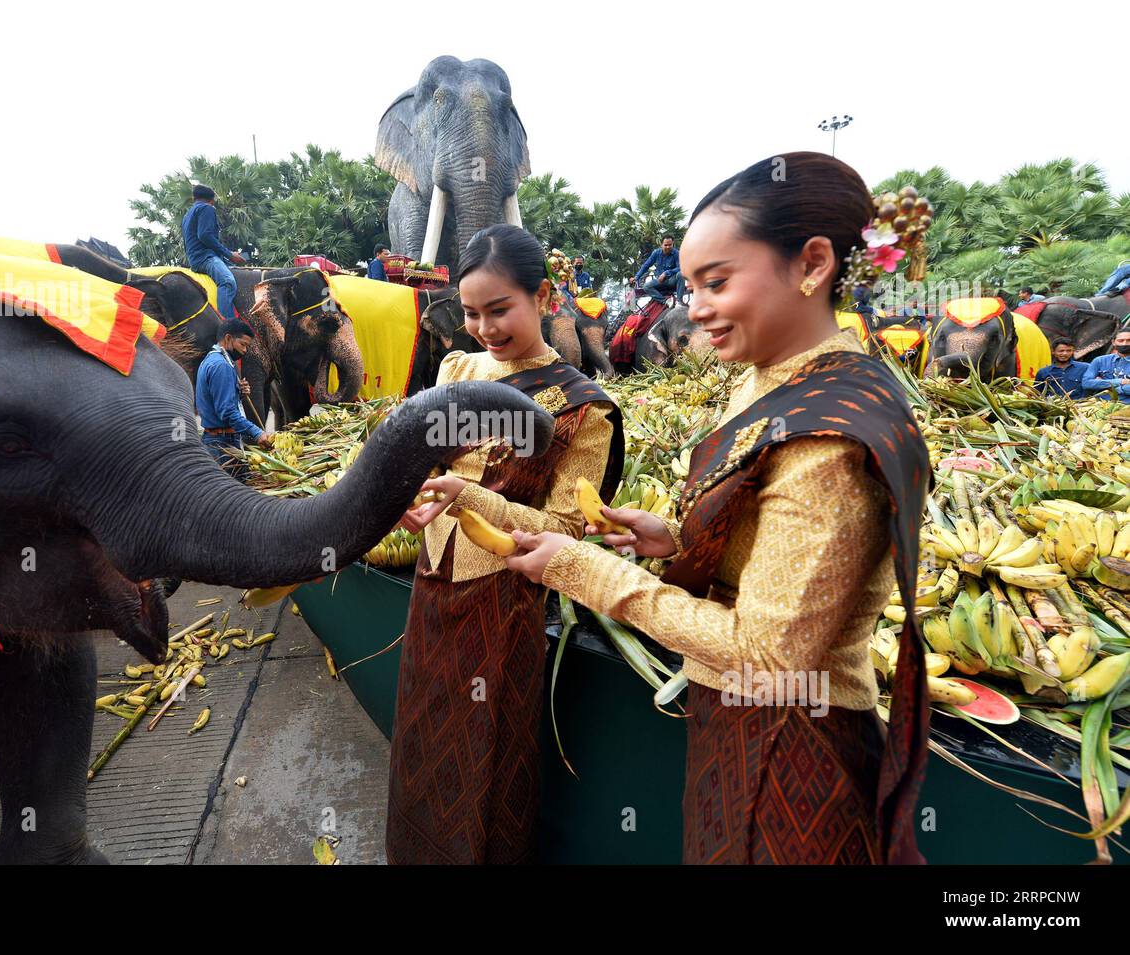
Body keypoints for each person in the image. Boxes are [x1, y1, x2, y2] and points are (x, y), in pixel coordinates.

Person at [505, 152, 931, 865]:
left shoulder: (831, 438)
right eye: (692, 283)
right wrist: (672, 541)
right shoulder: (770, 379)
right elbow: (764, 550)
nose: (694, 307)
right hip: (735, 724)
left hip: (794, 748)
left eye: (717, 282)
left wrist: (584, 569)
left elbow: (767, 651)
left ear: (814, 264)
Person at [385, 224, 624, 864]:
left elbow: (572, 531)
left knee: (488, 755)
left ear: (543, 296)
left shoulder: (582, 407)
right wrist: (408, 499)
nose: (485, 328)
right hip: (431, 593)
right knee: (422, 741)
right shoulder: (457, 367)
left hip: (504, 603)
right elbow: (420, 459)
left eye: (500, 310)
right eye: (470, 313)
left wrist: (472, 500)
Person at [196, 318, 265, 478]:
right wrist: (257, 433)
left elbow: (216, 400)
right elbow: (227, 412)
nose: (245, 351)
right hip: (222, 444)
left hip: (218, 440)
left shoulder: (212, 360)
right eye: (243, 344)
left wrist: (238, 392)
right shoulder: (221, 366)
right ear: (228, 338)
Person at [182, 184, 246, 318]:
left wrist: (228, 255)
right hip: (205, 258)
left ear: (195, 198)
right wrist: (229, 254)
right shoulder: (207, 208)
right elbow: (204, 235)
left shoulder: (188, 215)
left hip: (196, 258)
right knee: (227, 282)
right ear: (212, 200)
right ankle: (227, 326)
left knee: (237, 272)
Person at [1081, 329, 1130, 402]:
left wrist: (1105, 385)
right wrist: (1120, 381)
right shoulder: (1100, 360)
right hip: (1102, 406)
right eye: (1121, 341)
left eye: (1129, 340)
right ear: (1113, 342)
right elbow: (1086, 383)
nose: (1124, 343)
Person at [634, 235, 681, 304]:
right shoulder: (656, 253)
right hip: (660, 281)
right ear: (661, 245)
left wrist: (666, 273)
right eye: (665, 245)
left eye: (670, 245)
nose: (668, 247)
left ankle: (679, 300)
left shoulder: (676, 253)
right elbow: (646, 265)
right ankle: (665, 301)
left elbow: (680, 268)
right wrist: (637, 277)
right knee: (646, 286)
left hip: (672, 281)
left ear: (673, 244)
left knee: (680, 274)